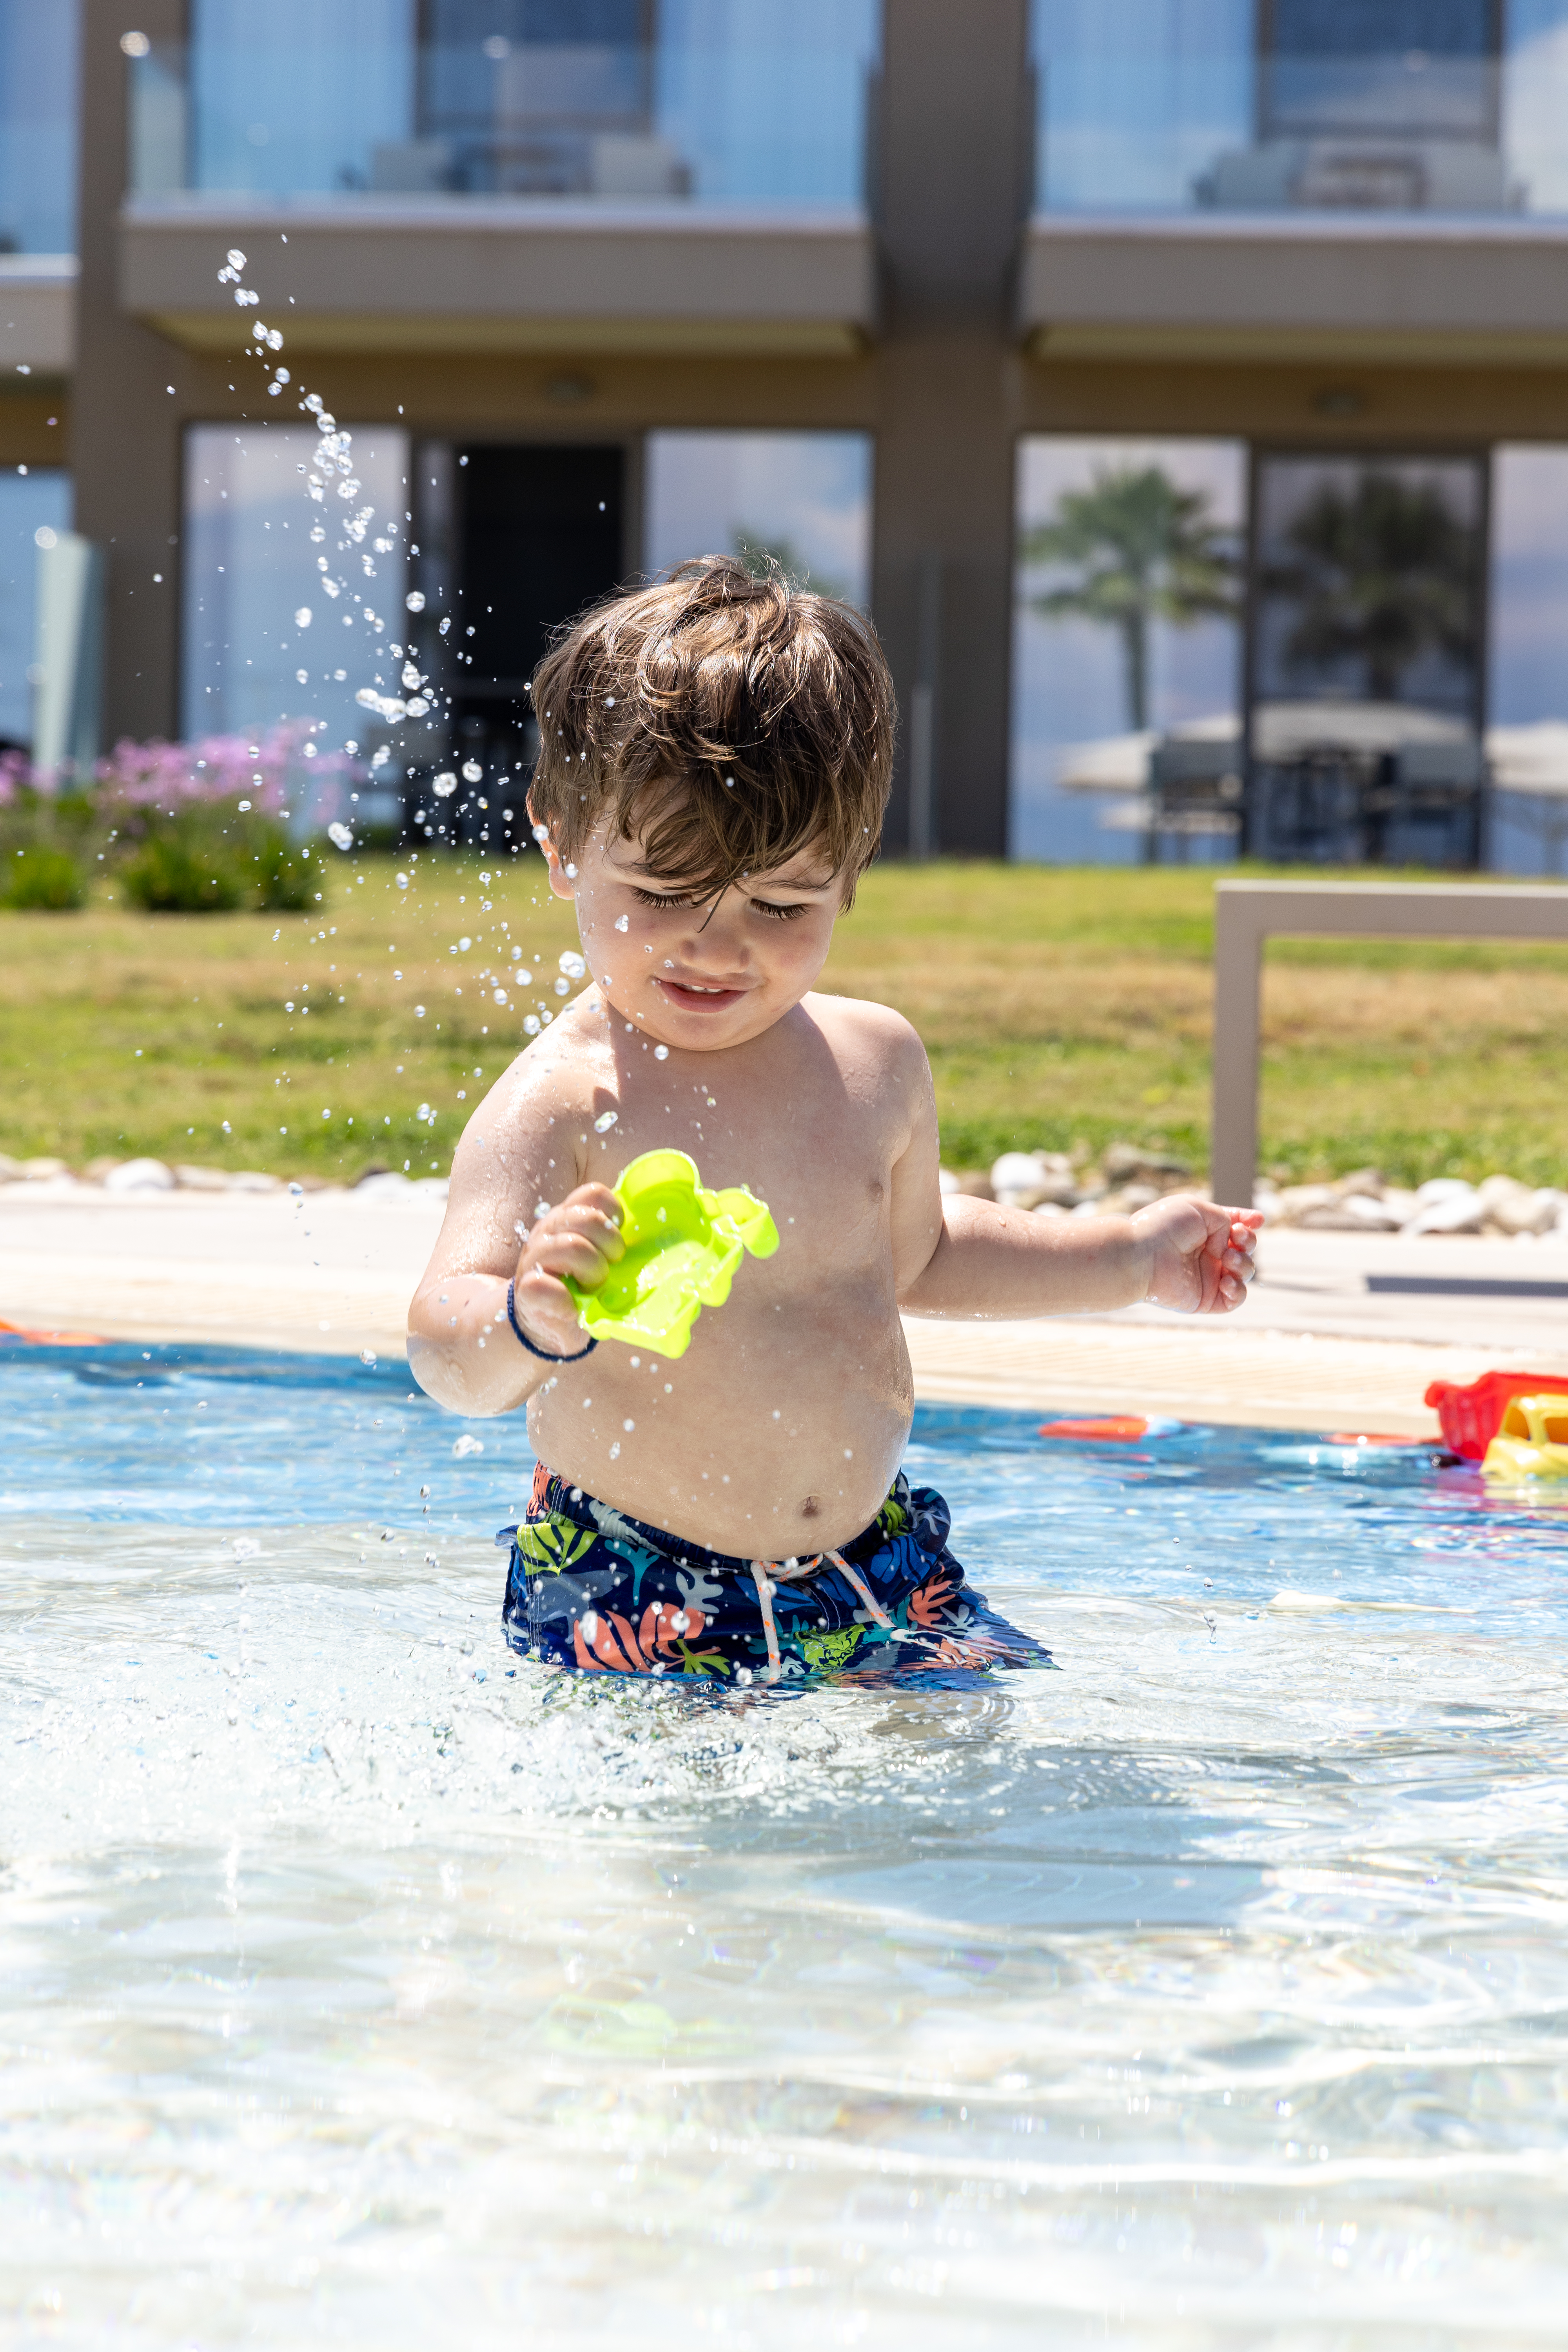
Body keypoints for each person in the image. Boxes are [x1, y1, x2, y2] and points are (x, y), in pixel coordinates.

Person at [408, 557, 1260, 1685]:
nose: (718, 947)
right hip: (636, 1586)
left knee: (988, 1784)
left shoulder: (875, 1063)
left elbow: (925, 1255)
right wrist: (525, 1319)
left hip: (874, 1564)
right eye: (663, 894)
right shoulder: (565, 1099)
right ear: (562, 844)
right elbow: (439, 1342)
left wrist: (1129, 1258)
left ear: (849, 876)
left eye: (779, 905)